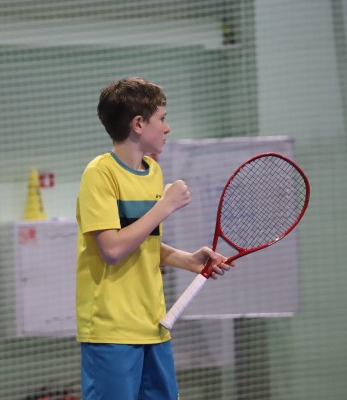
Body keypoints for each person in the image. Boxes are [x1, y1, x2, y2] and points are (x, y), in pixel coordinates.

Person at [76, 77, 232, 400]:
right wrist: (165, 206)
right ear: (138, 124)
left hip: (154, 326)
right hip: (112, 331)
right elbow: (112, 249)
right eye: (162, 118)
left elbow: (142, 244)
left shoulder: (153, 172)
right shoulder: (100, 173)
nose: (167, 127)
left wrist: (187, 260)